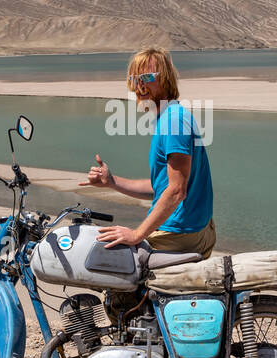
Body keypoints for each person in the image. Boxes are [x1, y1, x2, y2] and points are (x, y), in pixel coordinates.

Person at [80, 47, 216, 260]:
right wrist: (112, 181)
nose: (140, 85)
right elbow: (161, 188)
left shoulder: (173, 121)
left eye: (146, 77)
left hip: (181, 233)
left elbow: (177, 191)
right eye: (135, 79)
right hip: (189, 228)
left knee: (106, 263)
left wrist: (137, 234)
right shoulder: (168, 117)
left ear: (166, 79)